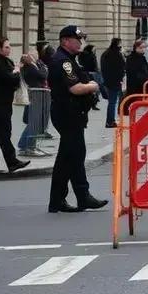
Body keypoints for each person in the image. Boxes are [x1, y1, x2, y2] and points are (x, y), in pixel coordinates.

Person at [47, 26, 108, 213]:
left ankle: (58, 201)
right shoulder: (63, 61)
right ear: (65, 41)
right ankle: (83, 196)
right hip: (68, 114)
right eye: (77, 39)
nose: (80, 42)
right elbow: (75, 88)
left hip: (71, 113)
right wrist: (93, 86)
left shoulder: (69, 60)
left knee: (67, 158)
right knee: (75, 155)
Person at [0, 37, 30, 174]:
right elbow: (11, 79)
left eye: (9, 46)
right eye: (7, 47)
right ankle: (12, 162)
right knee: (4, 133)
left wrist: (15, 72)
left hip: (4, 102)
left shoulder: (5, 61)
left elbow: (14, 81)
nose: (9, 49)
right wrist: (16, 71)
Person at [17, 52, 50, 157]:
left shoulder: (30, 67)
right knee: (34, 122)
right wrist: (44, 68)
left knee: (33, 123)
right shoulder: (31, 67)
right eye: (33, 55)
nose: (36, 56)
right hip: (36, 95)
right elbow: (43, 75)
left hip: (36, 95)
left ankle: (23, 145)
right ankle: (30, 147)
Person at [100, 39, 126, 128]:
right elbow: (122, 66)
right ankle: (110, 121)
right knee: (113, 102)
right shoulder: (117, 54)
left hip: (108, 80)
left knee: (112, 102)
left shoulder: (106, 53)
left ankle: (110, 120)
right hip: (115, 81)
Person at [124, 38, 148, 109]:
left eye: (144, 47)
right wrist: (144, 80)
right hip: (136, 86)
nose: (143, 49)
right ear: (136, 48)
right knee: (135, 103)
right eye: (141, 47)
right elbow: (134, 72)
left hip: (143, 85)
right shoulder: (131, 58)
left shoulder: (142, 57)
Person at [78, 44, 103, 111]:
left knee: (87, 90)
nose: (95, 50)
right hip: (92, 73)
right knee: (95, 89)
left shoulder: (81, 55)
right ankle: (94, 103)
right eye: (94, 49)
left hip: (84, 73)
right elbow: (95, 65)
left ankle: (88, 103)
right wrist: (97, 71)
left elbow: (81, 63)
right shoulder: (92, 55)